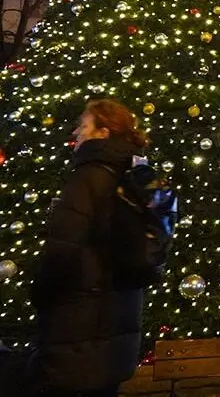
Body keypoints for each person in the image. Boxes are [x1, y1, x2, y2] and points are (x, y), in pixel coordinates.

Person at [32, 99, 150, 397]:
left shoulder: (88, 177)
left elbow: (63, 249)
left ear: (103, 132)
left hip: (79, 327)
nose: (77, 132)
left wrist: (41, 294)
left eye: (84, 126)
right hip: (119, 326)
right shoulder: (138, 177)